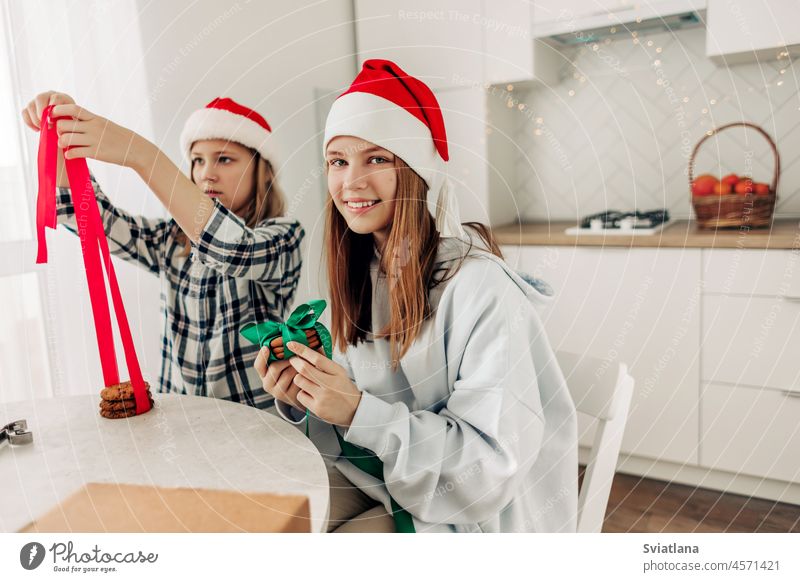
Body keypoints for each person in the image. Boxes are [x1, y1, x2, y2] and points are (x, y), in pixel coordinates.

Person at [254, 59, 578, 532]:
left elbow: (487, 470)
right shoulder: (363, 274)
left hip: (479, 518)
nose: (351, 182)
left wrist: (357, 411)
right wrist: (307, 397)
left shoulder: (480, 289)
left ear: (416, 172)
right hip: (390, 480)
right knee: (267, 518)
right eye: (338, 161)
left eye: (377, 158)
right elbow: (363, 409)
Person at [22, 93, 304, 409]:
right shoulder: (170, 239)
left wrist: (143, 156)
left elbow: (233, 248)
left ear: (261, 171)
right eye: (198, 160)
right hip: (182, 424)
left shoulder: (284, 236)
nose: (206, 173)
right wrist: (61, 134)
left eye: (224, 159)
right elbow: (88, 218)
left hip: (256, 428)